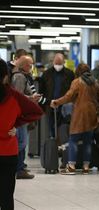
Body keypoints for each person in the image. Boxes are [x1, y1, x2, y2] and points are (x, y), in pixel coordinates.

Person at [0, 58, 43, 210]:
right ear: (6, 76)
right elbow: (36, 111)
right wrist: (16, 124)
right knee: (6, 196)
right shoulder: (13, 96)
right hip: (8, 152)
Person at [50, 64, 99, 175]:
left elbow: (68, 96)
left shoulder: (77, 82)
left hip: (80, 114)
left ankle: (71, 166)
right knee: (88, 142)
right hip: (91, 114)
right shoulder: (94, 82)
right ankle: (86, 167)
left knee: (73, 140)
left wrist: (56, 102)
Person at [11, 55, 42, 179]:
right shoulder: (19, 77)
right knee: (21, 142)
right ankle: (17, 168)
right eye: (30, 65)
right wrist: (31, 98)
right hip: (19, 114)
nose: (31, 67)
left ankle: (18, 168)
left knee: (21, 142)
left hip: (20, 114)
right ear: (24, 65)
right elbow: (17, 97)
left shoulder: (21, 76)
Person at [39, 53, 75, 138]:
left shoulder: (69, 74)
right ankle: (53, 145)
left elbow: (72, 91)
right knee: (50, 127)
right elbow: (42, 90)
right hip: (49, 105)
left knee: (63, 128)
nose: (58, 66)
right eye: (56, 64)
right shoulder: (46, 74)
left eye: (60, 64)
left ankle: (61, 145)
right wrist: (42, 106)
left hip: (65, 106)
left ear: (63, 62)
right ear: (53, 62)